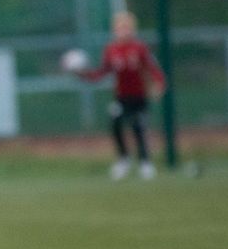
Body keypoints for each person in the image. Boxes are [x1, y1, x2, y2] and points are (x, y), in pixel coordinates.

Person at [71, 11, 168, 180]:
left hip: (139, 96)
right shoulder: (111, 50)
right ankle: (123, 160)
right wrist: (82, 73)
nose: (123, 31)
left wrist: (159, 84)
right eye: (119, 28)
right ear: (115, 30)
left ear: (132, 30)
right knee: (115, 123)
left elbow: (153, 69)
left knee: (139, 127)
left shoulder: (139, 48)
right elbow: (101, 73)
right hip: (121, 97)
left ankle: (145, 163)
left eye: (126, 28)